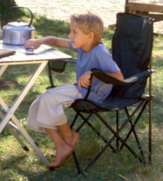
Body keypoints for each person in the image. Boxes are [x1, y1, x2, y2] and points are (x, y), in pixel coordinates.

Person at [25, 12, 123, 169]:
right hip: (81, 89)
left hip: (92, 94)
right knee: (40, 102)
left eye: (74, 32)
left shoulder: (99, 52)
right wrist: (40, 41)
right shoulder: (84, 45)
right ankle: (66, 139)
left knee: (47, 99)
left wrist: (93, 72)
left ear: (90, 35)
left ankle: (64, 141)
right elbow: (55, 40)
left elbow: (119, 77)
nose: (70, 35)